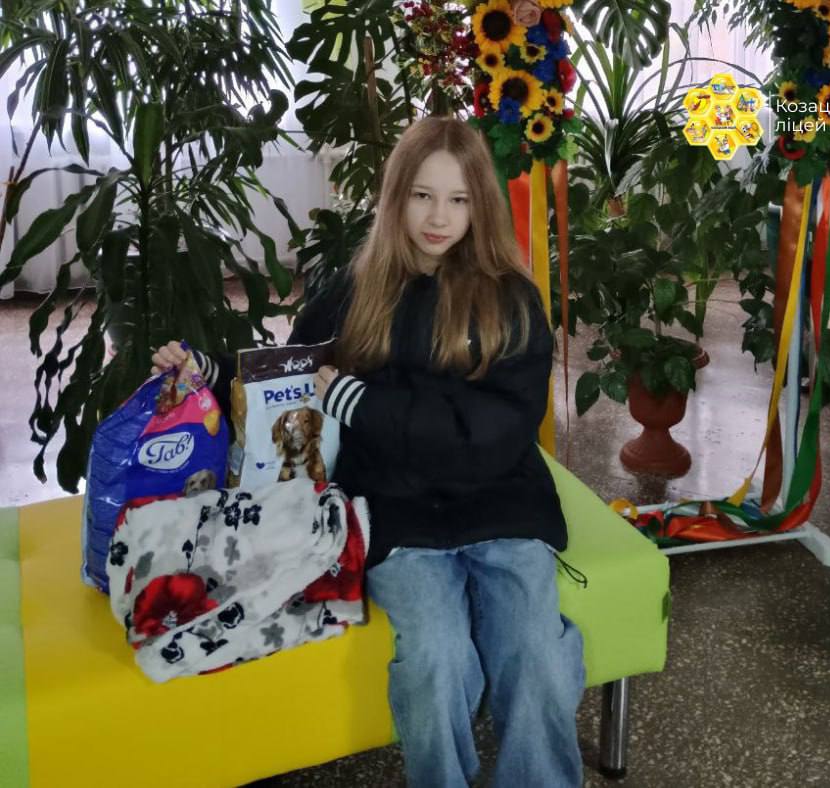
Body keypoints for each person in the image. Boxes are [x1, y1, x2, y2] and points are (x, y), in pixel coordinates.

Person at [151, 116, 585, 788]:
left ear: (481, 204)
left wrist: (369, 407)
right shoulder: (355, 289)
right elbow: (290, 379)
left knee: (537, 653)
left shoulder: (513, 299)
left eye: (458, 199)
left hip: (503, 502)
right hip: (396, 512)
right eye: (421, 195)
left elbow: (499, 429)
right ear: (395, 196)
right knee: (435, 657)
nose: (438, 217)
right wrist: (209, 374)